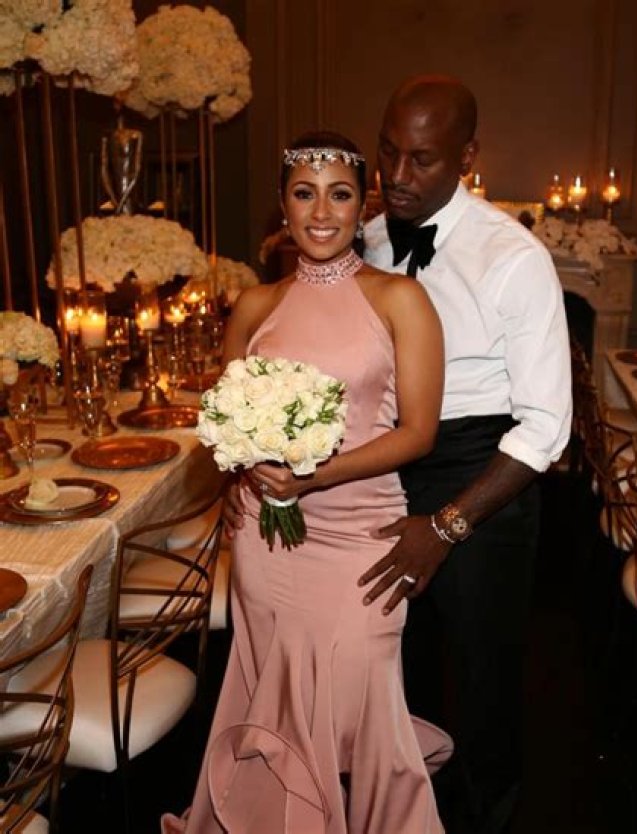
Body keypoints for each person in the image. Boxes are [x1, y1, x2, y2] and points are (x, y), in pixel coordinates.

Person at [162, 130, 451, 834]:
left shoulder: (401, 299)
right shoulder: (255, 305)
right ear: (282, 206)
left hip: (362, 540)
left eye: (339, 194)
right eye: (304, 193)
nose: (321, 212)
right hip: (267, 546)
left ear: (363, 205)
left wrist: (313, 477)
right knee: (279, 699)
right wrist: (239, 478)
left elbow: (419, 432)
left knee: (361, 693)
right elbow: (229, 420)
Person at [358, 76, 572, 834]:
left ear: (467, 157)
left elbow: (545, 428)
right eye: (388, 152)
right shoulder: (369, 238)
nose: (397, 175)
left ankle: (487, 816)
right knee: (393, 666)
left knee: (482, 681)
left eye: (421, 160)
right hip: (389, 466)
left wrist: (445, 526)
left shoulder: (513, 258)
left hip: (484, 474)